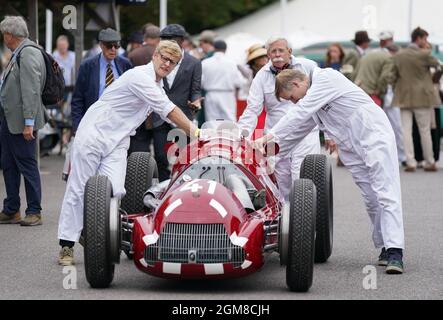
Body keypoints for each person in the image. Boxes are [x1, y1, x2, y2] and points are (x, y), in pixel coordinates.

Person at [57, 40, 199, 266]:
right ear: (155, 56)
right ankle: (67, 244)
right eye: (164, 58)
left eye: (172, 62)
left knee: (116, 190)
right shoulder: (139, 76)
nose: (167, 63)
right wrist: (197, 132)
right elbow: (168, 110)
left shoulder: (157, 86)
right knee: (80, 187)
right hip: (95, 132)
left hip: (119, 139)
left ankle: (96, 234)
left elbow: (168, 116)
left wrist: (194, 136)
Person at [254, 68, 405, 274]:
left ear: (297, 84)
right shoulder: (314, 104)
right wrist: (264, 155)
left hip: (372, 134)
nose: (293, 102)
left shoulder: (325, 78)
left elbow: (298, 113)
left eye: (291, 98)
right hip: (350, 146)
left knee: (386, 192)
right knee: (370, 197)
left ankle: (396, 250)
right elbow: (293, 134)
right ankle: (384, 247)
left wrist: (266, 137)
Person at [237, 36, 321, 200]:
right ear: (267, 54)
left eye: (280, 50)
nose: (277, 54)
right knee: (280, 180)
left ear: (289, 51)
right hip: (275, 135)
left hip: (305, 133)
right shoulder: (261, 76)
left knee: (301, 177)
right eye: (273, 51)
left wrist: (331, 135)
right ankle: (286, 219)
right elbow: (252, 109)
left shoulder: (308, 66)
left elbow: (324, 99)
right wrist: (240, 134)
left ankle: (305, 221)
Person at [130, 24, 202, 182]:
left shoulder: (194, 63)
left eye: (172, 39)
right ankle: (162, 189)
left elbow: (196, 89)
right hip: (159, 116)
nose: (168, 42)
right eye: (164, 39)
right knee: (161, 156)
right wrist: (198, 132)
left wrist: (196, 102)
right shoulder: (155, 64)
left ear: (182, 40)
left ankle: (183, 186)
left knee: (183, 158)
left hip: (182, 115)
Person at [0, 16, 47, 226]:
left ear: (9, 35)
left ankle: (34, 211)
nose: (3, 38)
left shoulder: (27, 54)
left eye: (4, 34)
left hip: (22, 123)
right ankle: (11, 209)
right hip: (11, 120)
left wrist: (29, 123)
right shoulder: (19, 53)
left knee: (27, 165)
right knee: (9, 164)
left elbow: (31, 91)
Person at [391, 27, 441, 172]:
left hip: (404, 96)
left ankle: (411, 161)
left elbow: (392, 75)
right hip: (423, 97)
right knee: (424, 130)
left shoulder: (399, 55)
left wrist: (397, 87)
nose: (426, 42)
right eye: (425, 39)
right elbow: (439, 65)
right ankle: (429, 161)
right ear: (418, 39)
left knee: (406, 130)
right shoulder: (424, 54)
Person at [71, 28, 132, 134]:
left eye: (116, 46)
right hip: (94, 121)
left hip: (119, 121)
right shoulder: (87, 66)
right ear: (101, 45)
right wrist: (77, 127)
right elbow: (78, 99)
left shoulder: (125, 64)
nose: (113, 49)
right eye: (109, 46)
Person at [202, 40, 246, 122]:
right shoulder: (231, 63)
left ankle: (214, 135)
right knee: (229, 120)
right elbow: (239, 82)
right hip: (227, 94)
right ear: (225, 49)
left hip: (211, 94)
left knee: (212, 121)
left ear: (214, 48)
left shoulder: (205, 62)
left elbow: (201, 82)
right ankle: (230, 135)